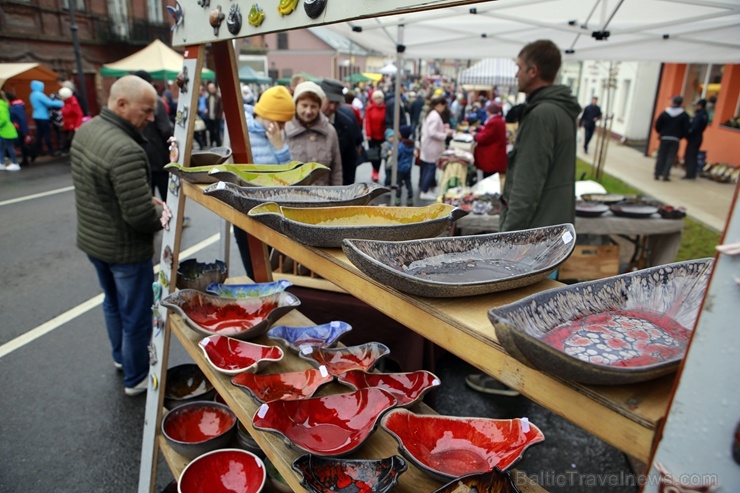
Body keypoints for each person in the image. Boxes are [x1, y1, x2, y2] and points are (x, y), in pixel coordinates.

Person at [466, 39, 581, 397]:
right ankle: (527, 379)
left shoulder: (543, 114)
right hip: (550, 230)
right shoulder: (556, 110)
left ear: (533, 71)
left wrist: (506, 242)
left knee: (521, 311)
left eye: (518, 66)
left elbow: (527, 186)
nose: (515, 72)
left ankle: (512, 380)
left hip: (534, 236)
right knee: (537, 311)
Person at [70, 75, 171, 396]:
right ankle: (137, 376)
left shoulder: (87, 130)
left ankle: (120, 359)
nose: (151, 117)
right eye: (147, 110)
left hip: (93, 241)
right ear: (122, 105)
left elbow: (102, 190)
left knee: (112, 304)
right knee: (136, 315)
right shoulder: (126, 149)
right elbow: (140, 216)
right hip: (125, 250)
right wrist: (160, 212)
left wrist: (142, 198)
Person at [233, 85, 295, 280]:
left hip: (273, 211)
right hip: (245, 210)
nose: (283, 126)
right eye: (281, 121)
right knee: (254, 271)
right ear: (269, 115)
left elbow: (288, 178)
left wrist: (279, 146)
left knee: (272, 270)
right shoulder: (241, 129)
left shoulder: (277, 134)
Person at [285, 81, 342, 186]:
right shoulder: (285, 129)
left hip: (324, 197)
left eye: (313, 106)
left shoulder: (330, 131)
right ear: (296, 105)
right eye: (304, 105)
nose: (308, 111)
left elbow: (336, 170)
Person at [132, 70, 174, 202]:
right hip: (158, 155)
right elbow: (166, 129)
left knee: (147, 196)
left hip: (140, 155)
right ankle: (171, 221)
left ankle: (154, 221)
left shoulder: (131, 101)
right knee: (167, 195)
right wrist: (172, 149)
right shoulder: (154, 101)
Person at [321, 78, 363, 185]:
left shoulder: (347, 122)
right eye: (330, 102)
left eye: (337, 103)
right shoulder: (305, 120)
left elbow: (350, 160)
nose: (333, 107)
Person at [418, 95, 453, 200]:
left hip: (428, 145)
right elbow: (432, 132)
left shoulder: (432, 114)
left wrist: (443, 128)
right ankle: (425, 190)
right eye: (443, 106)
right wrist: (445, 135)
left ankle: (425, 188)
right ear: (439, 105)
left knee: (428, 167)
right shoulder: (434, 115)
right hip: (431, 146)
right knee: (431, 168)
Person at [654, 95, 690, 182]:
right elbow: (686, 128)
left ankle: (657, 174)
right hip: (675, 138)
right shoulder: (684, 115)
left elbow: (657, 125)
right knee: (670, 157)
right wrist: (680, 136)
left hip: (664, 137)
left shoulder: (665, 113)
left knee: (661, 156)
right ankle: (666, 175)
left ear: (673, 102)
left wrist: (661, 133)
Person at [382, 125, 415, 206]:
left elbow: (397, 156)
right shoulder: (412, 145)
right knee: (408, 183)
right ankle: (410, 198)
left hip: (399, 169)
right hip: (408, 168)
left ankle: (398, 198)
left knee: (398, 184)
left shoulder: (400, 146)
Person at [473, 101, 507, 179]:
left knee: (489, 178)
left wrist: (475, 136)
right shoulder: (498, 120)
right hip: (495, 153)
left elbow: (485, 137)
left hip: (491, 155)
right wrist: (480, 129)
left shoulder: (494, 122)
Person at [30, 80, 64, 156]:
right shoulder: (39, 94)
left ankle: (38, 150)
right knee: (47, 133)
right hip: (43, 116)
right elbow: (49, 102)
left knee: (39, 134)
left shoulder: (32, 94)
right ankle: (51, 150)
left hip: (36, 116)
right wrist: (61, 103)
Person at [682, 98, 709, 180]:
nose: (695, 107)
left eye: (696, 105)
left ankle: (690, 174)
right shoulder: (704, 114)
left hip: (694, 138)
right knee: (692, 155)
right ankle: (690, 173)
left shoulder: (700, 115)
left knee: (690, 156)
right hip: (698, 137)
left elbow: (694, 127)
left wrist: (687, 133)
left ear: (700, 105)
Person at [5, 91, 33, 167]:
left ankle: (29, 156)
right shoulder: (16, 106)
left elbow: (22, 118)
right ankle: (28, 157)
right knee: (22, 144)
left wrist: (24, 130)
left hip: (20, 128)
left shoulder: (16, 107)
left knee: (23, 144)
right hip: (18, 128)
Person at [364, 89, 386, 183]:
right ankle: (374, 170)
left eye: (379, 98)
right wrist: (368, 134)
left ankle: (377, 170)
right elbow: (367, 122)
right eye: (376, 98)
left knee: (380, 155)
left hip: (382, 135)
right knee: (373, 155)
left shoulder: (385, 108)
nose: (378, 100)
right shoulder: (370, 108)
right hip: (372, 136)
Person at [58, 87, 84, 153]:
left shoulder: (73, 103)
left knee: (71, 141)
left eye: (61, 95)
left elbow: (79, 114)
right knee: (67, 141)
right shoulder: (66, 102)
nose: (60, 97)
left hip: (73, 126)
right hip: (67, 125)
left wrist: (77, 126)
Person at [0, 90, 21, 171]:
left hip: (5, 130)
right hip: (3, 130)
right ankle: (1, 163)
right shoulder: (3, 104)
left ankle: (15, 163)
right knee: (1, 147)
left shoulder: (1, 106)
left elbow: (3, 119)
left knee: (9, 147)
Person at [203, 82, 223, 147]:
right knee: (211, 132)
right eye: (210, 88)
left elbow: (220, 108)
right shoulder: (208, 98)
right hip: (210, 117)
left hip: (217, 117)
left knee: (217, 132)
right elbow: (207, 106)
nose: (211, 89)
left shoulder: (218, 97)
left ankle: (218, 145)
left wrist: (219, 116)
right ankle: (211, 145)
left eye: (212, 88)